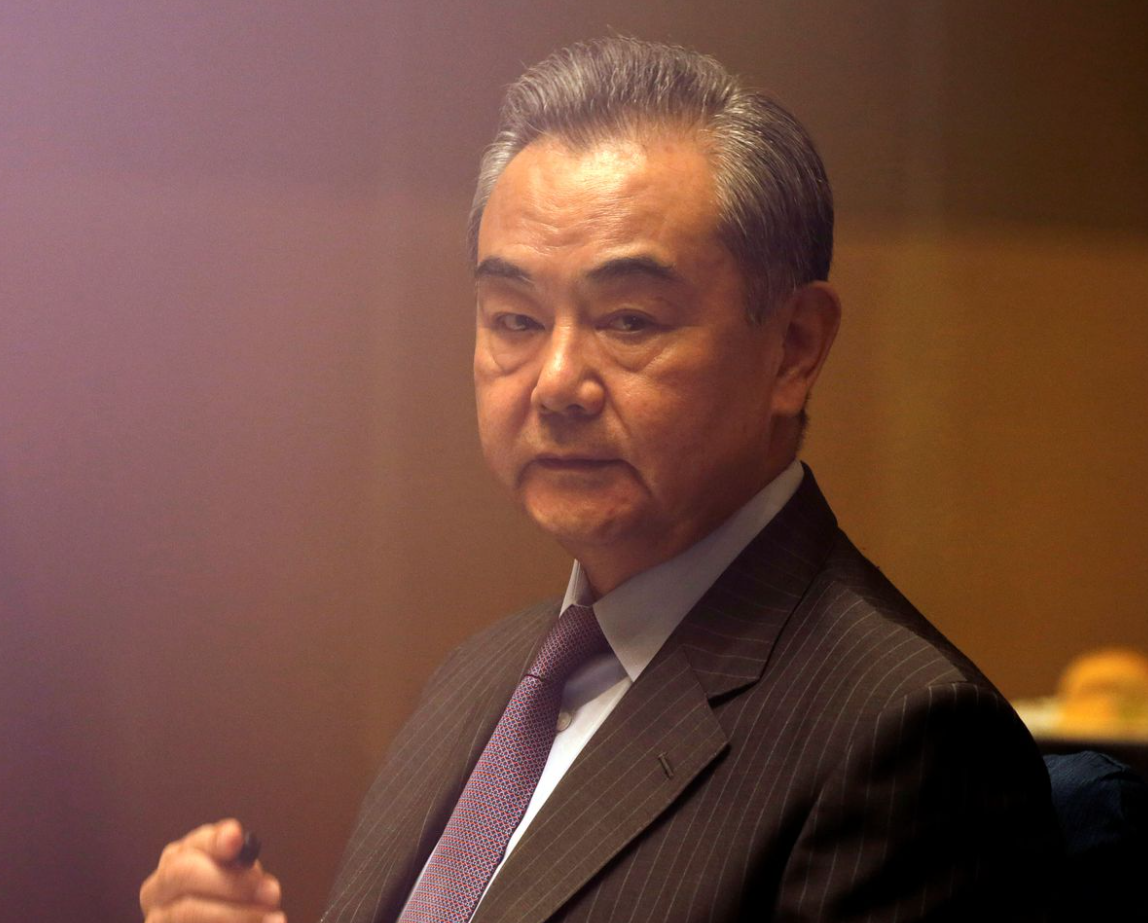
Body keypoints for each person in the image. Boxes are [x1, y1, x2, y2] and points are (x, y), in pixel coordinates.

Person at [140, 37, 1059, 923]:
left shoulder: (904, 737)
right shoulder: (488, 676)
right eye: (514, 318)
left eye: (627, 319)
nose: (555, 383)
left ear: (794, 347)